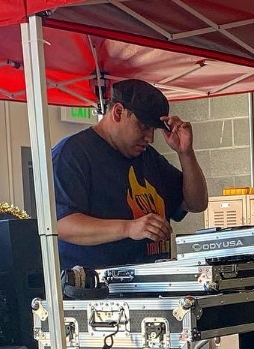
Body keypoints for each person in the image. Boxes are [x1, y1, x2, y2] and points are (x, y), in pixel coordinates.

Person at [52, 78, 209, 268]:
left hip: (153, 283)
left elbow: (196, 203)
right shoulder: (72, 154)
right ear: (118, 112)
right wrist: (129, 228)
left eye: (153, 130)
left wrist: (186, 153)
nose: (150, 138)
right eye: (143, 127)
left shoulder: (148, 156)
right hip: (98, 289)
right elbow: (61, 225)